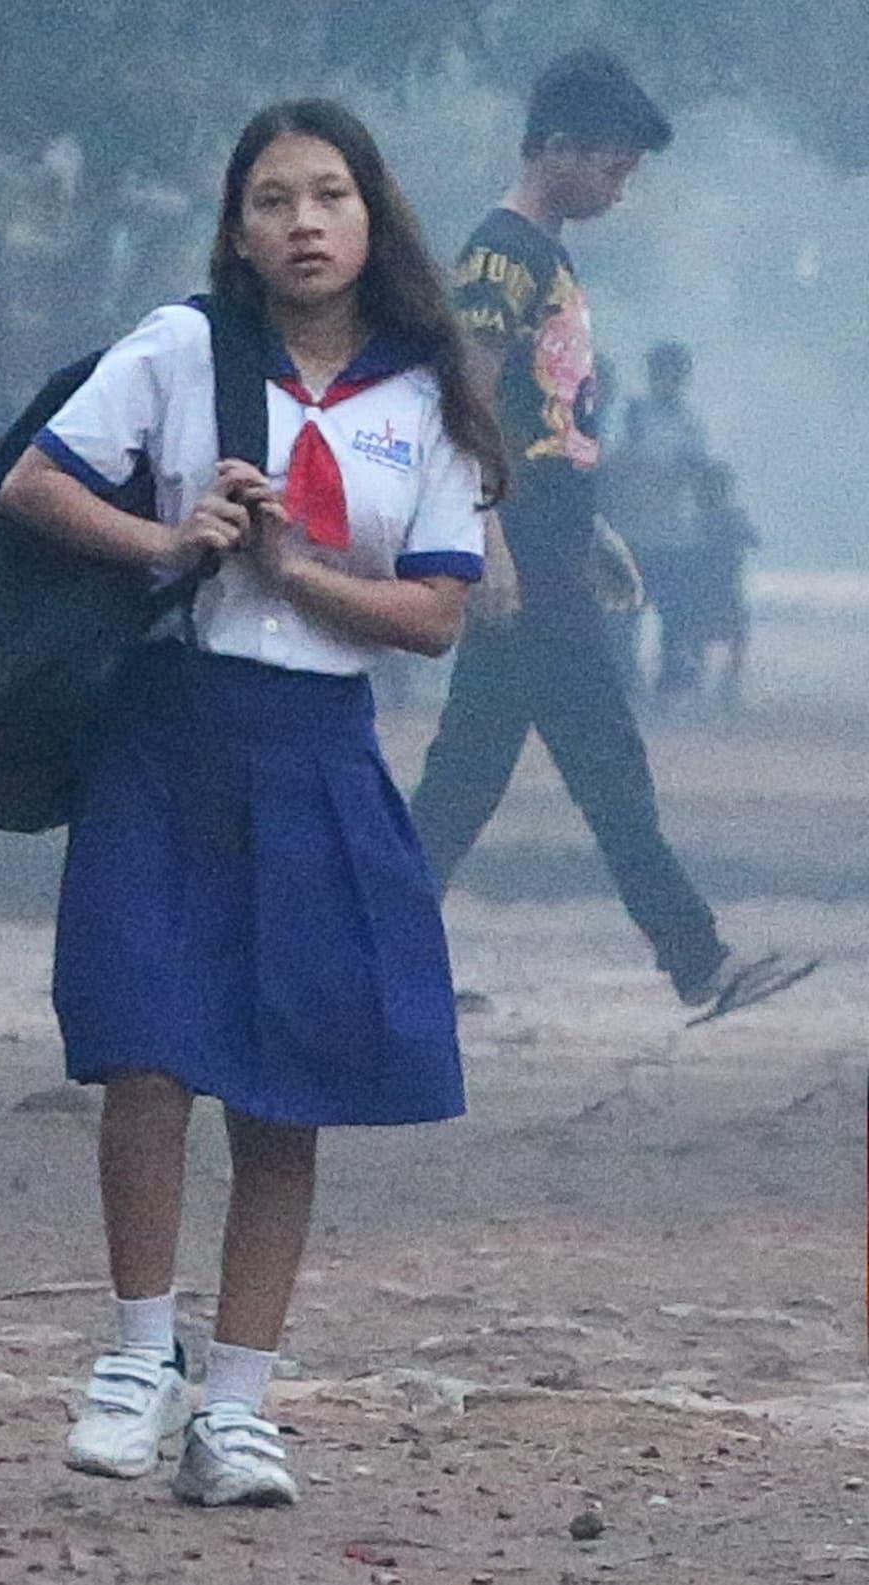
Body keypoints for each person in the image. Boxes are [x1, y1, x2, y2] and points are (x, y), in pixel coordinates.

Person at [0, 99, 503, 1507]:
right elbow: (38, 484)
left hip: (319, 753)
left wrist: (297, 576)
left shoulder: (429, 395)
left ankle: (238, 1406)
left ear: (369, 215)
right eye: (273, 200)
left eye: (328, 196)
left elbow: (436, 613)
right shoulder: (178, 351)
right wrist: (172, 538)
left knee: (287, 1091)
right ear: (237, 227)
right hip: (168, 736)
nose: (303, 223)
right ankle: (133, 1354)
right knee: (143, 1046)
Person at [410, 49, 816, 1019]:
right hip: (521, 558)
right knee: (602, 768)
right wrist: (491, 539)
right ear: (555, 148)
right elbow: (464, 400)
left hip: (549, 544)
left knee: (465, 779)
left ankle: (363, 960)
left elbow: (538, 414)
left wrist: (578, 525)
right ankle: (698, 960)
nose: (616, 190)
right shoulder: (502, 255)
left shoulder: (542, 254)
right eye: (610, 168)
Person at [614, 341, 710, 694]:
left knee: (674, 615)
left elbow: (700, 477)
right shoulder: (631, 416)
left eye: (676, 374)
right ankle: (627, 682)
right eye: (663, 373)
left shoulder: (690, 424)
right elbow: (612, 465)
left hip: (674, 534)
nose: (669, 380)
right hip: (632, 532)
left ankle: (669, 684)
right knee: (626, 614)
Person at [689, 460, 759, 708]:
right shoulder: (729, 516)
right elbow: (754, 540)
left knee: (703, 632)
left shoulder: (698, 518)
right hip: (722, 581)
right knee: (734, 632)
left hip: (710, 582)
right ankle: (725, 683)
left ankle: (704, 682)